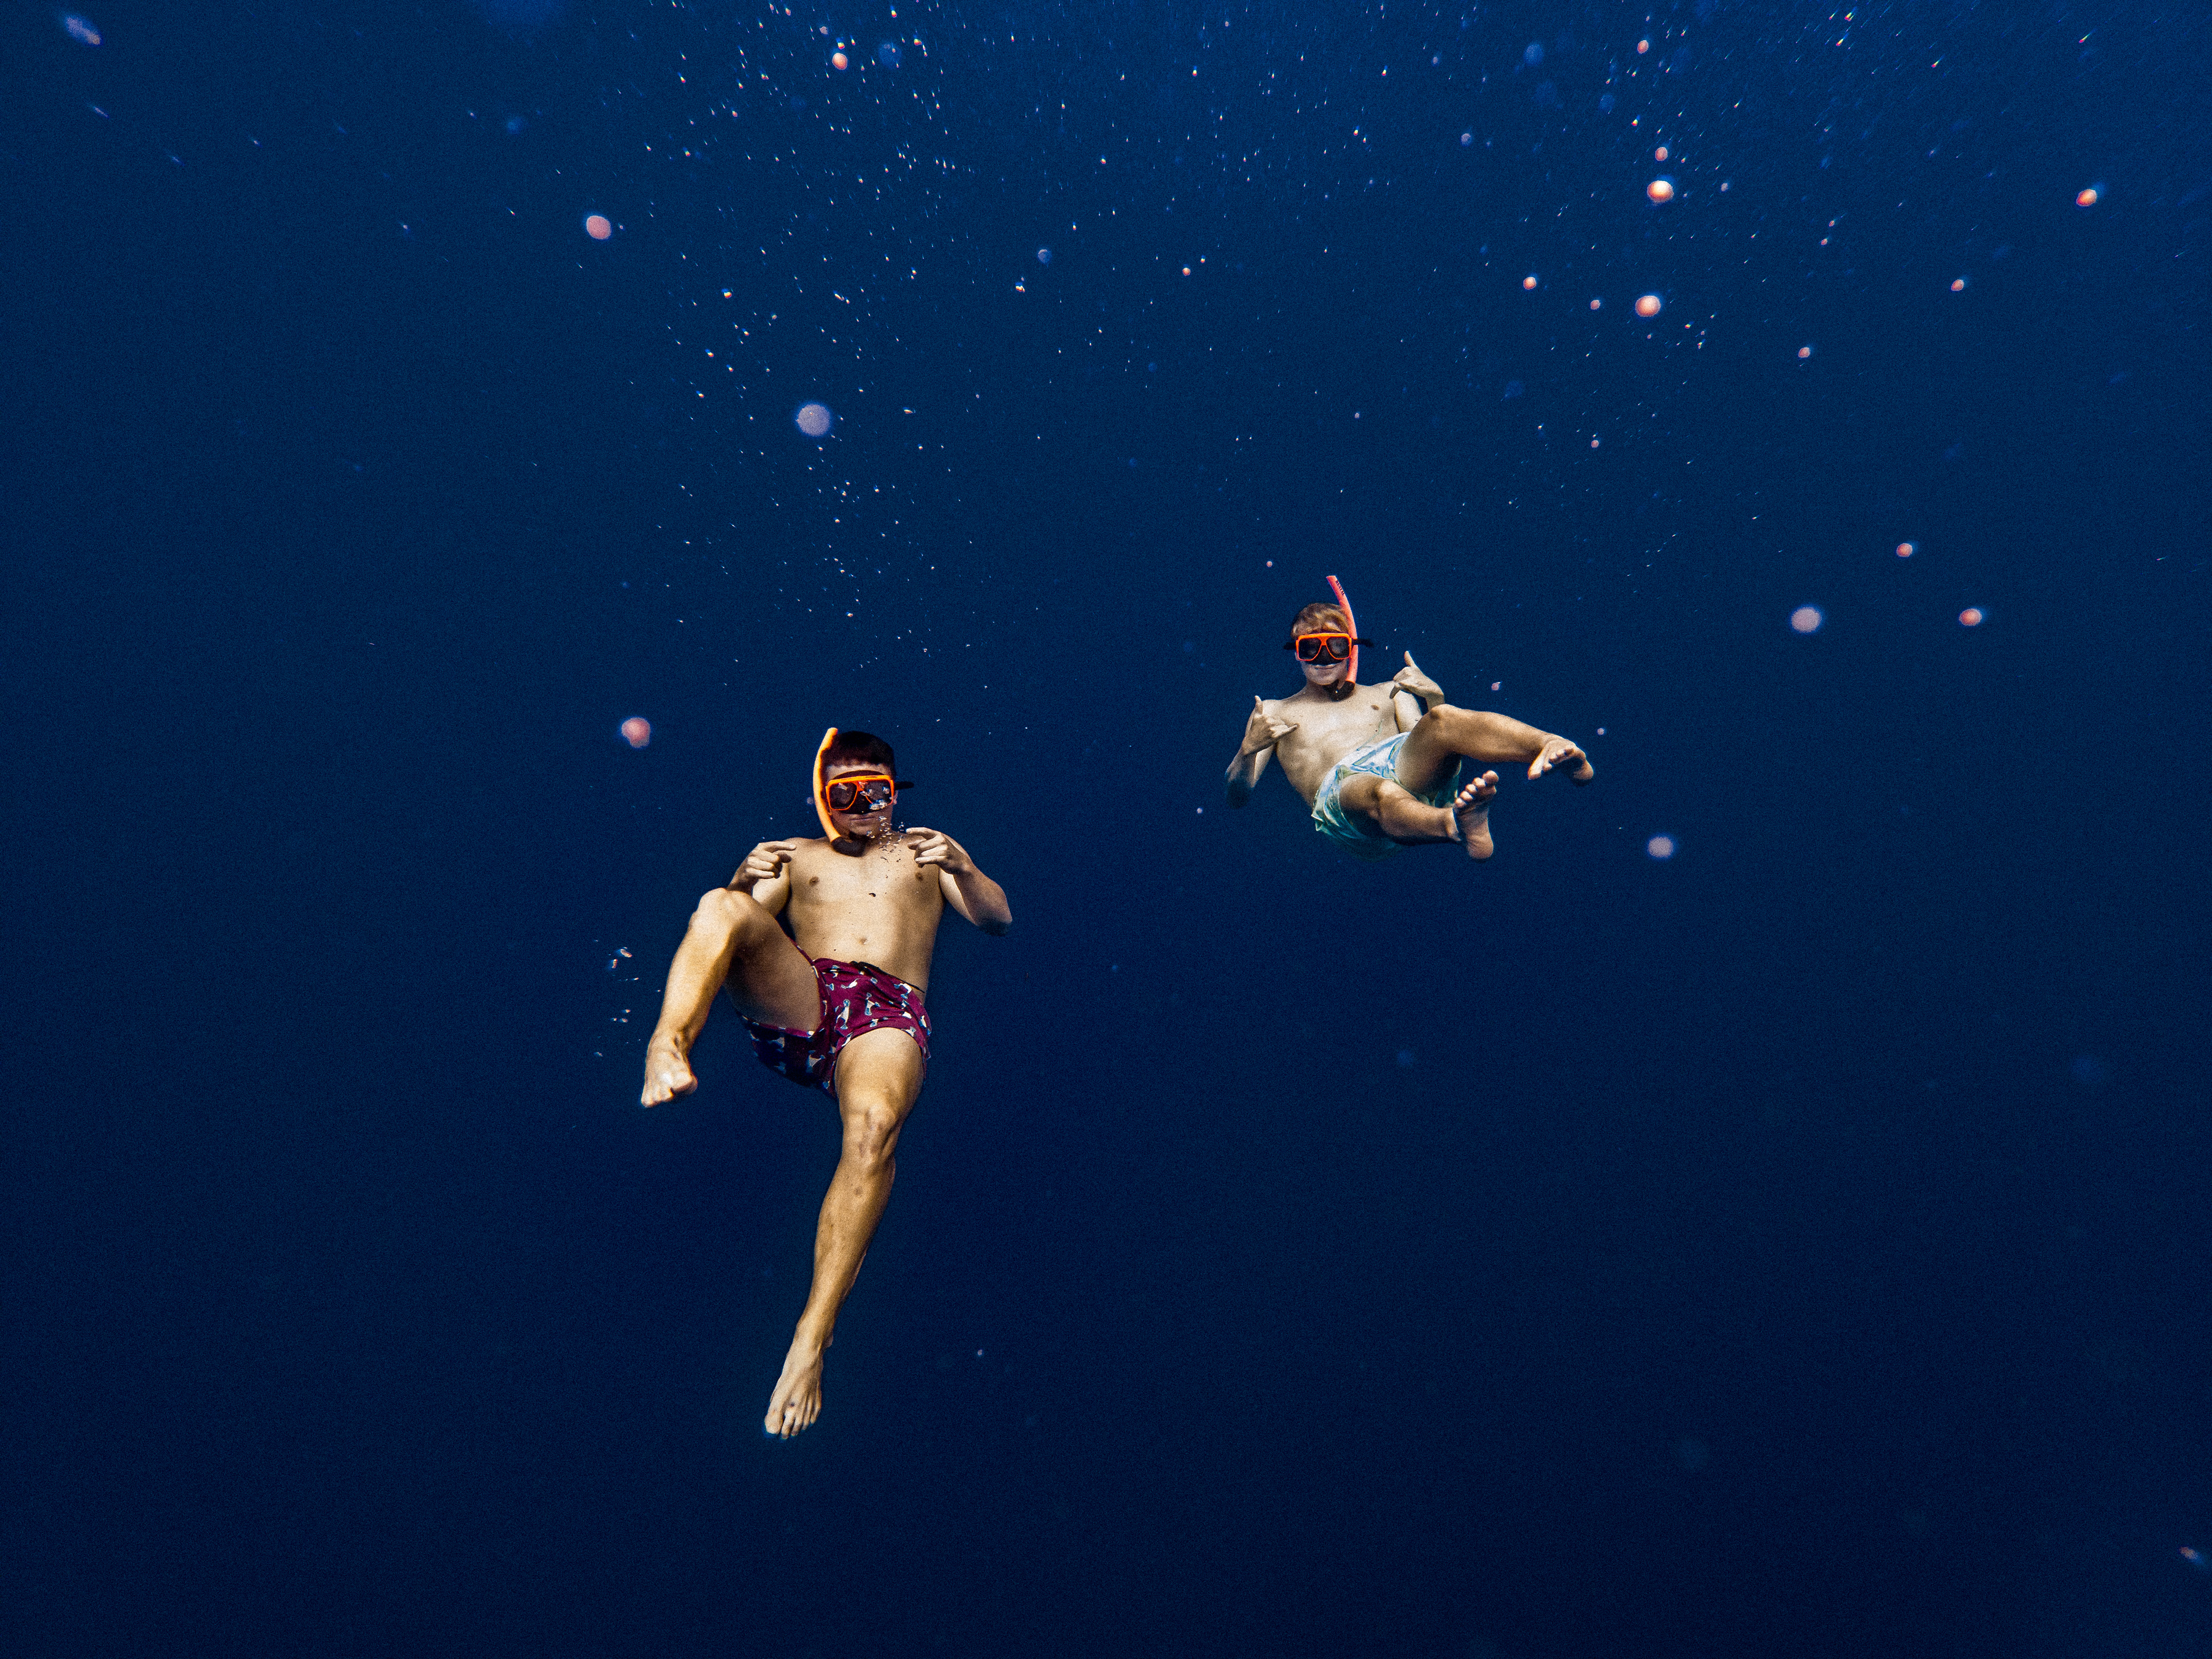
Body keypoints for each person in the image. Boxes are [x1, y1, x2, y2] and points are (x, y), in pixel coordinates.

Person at [640, 730, 1012, 1438]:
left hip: (888, 1016)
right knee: (717, 904)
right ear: (822, 800)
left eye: (873, 790)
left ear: (896, 792)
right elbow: (736, 924)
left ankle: (811, 1338)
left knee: (872, 1132)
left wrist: (965, 864)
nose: (859, 807)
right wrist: (746, 879)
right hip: (806, 995)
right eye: (842, 795)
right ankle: (668, 1043)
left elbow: (997, 920)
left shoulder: (925, 855)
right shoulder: (797, 855)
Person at [1224, 599, 1593, 860]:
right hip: (1345, 799)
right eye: (1311, 649)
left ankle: (1553, 745)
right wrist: (1247, 749)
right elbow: (1237, 796)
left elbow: (1431, 751)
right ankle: (1453, 824)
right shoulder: (1273, 712)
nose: (1323, 660)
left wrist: (1435, 698)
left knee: (1444, 719)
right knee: (1371, 787)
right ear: (1296, 653)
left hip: (1403, 769)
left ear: (1351, 649)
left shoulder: (1390, 691)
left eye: (1334, 647)